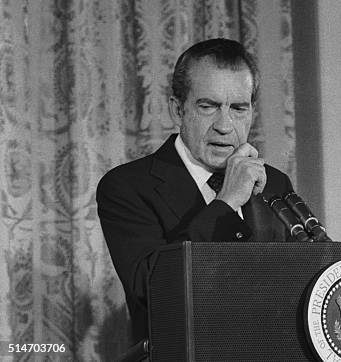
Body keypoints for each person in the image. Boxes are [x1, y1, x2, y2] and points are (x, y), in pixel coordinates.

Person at [96, 39, 294, 344]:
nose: (225, 126)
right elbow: (152, 289)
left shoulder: (275, 183)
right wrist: (226, 204)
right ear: (178, 110)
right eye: (208, 107)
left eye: (238, 108)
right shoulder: (126, 187)